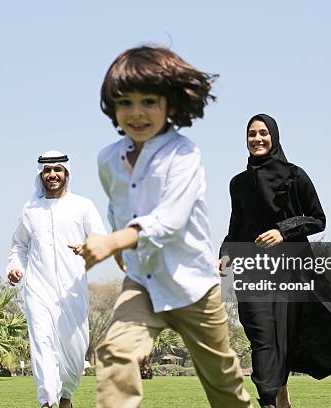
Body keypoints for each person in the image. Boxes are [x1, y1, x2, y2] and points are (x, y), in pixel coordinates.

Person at [74, 46, 251, 408]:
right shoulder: (108, 159)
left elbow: (170, 220)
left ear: (170, 104)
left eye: (149, 101)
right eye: (125, 103)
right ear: (112, 107)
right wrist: (122, 248)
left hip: (193, 288)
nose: (136, 113)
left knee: (224, 387)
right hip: (143, 284)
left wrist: (113, 242)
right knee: (115, 353)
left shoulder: (184, 155)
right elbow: (118, 207)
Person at [218, 114, 331, 408]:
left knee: (286, 337)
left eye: (263, 133)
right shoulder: (238, 183)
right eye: (252, 134)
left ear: (274, 136)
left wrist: (282, 231)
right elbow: (237, 225)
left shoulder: (295, 175)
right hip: (254, 273)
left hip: (291, 273)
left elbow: (317, 219)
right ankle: (272, 401)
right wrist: (224, 254)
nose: (257, 138)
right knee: (261, 336)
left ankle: (277, 400)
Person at [7, 150, 106, 408]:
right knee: (42, 346)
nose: (52, 175)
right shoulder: (30, 209)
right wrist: (16, 267)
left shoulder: (83, 206)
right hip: (38, 290)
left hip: (72, 293)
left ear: (67, 173)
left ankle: (65, 398)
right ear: (40, 175)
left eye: (57, 170)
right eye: (47, 171)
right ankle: (47, 402)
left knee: (75, 354)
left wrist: (88, 247)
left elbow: (101, 241)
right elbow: (19, 245)